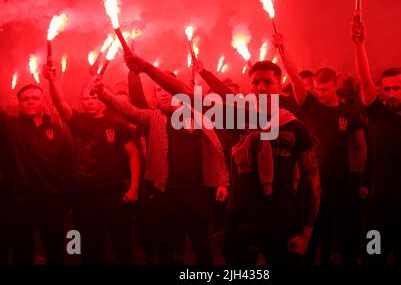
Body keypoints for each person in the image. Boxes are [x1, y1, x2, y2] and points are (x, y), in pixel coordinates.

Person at [119, 52, 321, 265]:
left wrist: (306, 233)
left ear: (280, 86)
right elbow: (188, 95)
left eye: (268, 82)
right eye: (256, 83)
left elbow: (312, 183)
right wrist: (145, 67)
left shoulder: (296, 128)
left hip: (281, 219)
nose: (261, 88)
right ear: (250, 86)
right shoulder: (239, 116)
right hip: (241, 219)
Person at [89, 74, 230, 265]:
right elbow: (129, 110)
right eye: (158, 91)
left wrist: (221, 181)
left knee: (201, 246)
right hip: (164, 193)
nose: (163, 94)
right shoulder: (153, 117)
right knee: (165, 247)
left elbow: (215, 149)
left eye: (167, 90)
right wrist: (102, 93)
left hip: (195, 193)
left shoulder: (198, 117)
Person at [273, 34, 367, 265]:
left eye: (325, 89)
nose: (320, 93)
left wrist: (364, 180)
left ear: (335, 86)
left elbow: (360, 147)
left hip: (340, 178)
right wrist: (282, 50)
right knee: (311, 226)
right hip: (311, 178)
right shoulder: (310, 104)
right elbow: (295, 78)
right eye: (317, 89)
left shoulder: (349, 113)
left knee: (342, 226)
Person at [351, 16, 401, 265]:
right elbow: (365, 81)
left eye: (396, 88)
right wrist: (359, 45)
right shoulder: (378, 115)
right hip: (379, 207)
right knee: (374, 256)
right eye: (386, 89)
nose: (390, 94)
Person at [43, 64, 140, 264]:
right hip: (84, 193)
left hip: (114, 192)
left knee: (121, 241)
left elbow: (133, 154)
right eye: (85, 98)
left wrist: (134, 187)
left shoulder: (117, 123)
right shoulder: (77, 121)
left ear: (102, 98)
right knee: (89, 243)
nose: (90, 102)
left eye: (93, 97)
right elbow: (59, 101)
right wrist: (52, 80)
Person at [0, 84, 73, 265]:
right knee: (22, 254)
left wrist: (63, 200)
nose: (30, 102)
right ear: (20, 104)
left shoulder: (57, 131)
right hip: (21, 206)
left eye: (35, 98)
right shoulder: (11, 128)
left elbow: (67, 168)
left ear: (44, 102)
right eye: (25, 99)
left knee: (56, 252)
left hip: (52, 205)